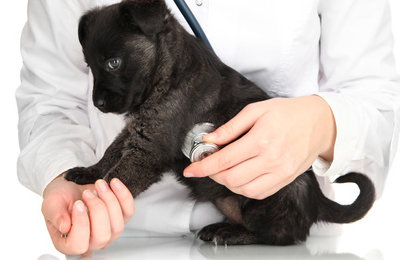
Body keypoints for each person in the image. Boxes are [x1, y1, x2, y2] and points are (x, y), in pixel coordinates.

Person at [16, 0, 400, 256]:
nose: (99, 95)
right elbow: (48, 100)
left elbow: (377, 98)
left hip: (285, 249)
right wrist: (64, 176)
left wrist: (321, 123)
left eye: (112, 65)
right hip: (120, 243)